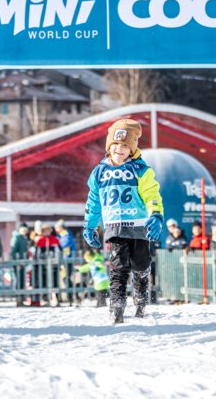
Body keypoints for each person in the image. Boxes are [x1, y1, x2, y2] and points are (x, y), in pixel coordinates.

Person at [82, 119, 164, 323]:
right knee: (118, 267)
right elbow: (94, 201)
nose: (119, 149)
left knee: (141, 264)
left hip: (139, 227)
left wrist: (155, 214)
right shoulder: (99, 172)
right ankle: (117, 305)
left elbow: (151, 194)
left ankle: (141, 297)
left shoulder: (140, 170)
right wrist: (90, 225)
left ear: (132, 149)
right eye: (116, 144)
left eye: (125, 146)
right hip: (115, 227)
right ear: (109, 146)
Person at [32, 224, 61, 306]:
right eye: (45, 231)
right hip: (43, 265)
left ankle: (57, 299)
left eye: (48, 230)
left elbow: (59, 251)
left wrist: (58, 261)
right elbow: (37, 253)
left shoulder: (55, 239)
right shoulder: (40, 240)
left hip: (54, 265)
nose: (46, 232)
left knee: (55, 281)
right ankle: (45, 299)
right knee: (44, 281)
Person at [54, 219, 78, 306]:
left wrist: (63, 263)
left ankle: (72, 297)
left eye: (56, 228)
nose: (55, 229)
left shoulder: (65, 237)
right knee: (66, 279)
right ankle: (73, 297)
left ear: (60, 228)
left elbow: (65, 250)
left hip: (66, 262)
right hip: (65, 261)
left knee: (66, 278)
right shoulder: (64, 236)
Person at [10, 223, 29, 306]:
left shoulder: (24, 238)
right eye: (23, 230)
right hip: (17, 262)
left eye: (26, 230)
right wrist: (16, 262)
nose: (25, 231)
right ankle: (18, 299)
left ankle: (21, 299)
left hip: (23, 262)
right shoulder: (16, 237)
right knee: (18, 280)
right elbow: (13, 251)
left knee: (22, 280)